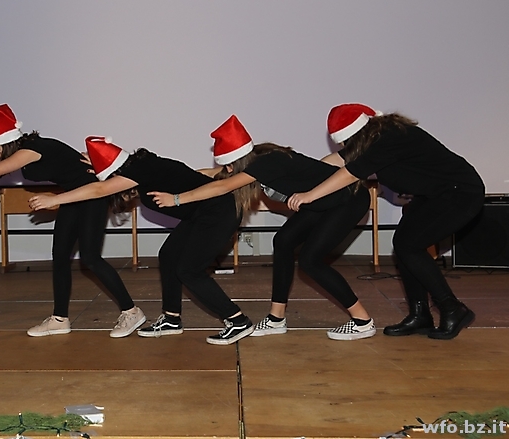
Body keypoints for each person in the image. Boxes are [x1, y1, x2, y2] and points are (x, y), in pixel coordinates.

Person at [0, 104, 145, 338]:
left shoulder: (31, 150)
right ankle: (59, 319)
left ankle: (131, 311)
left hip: (91, 196)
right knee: (60, 256)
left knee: (90, 257)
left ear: (7, 142)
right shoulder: (21, 155)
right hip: (72, 196)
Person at [150, 115, 376, 340]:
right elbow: (212, 176)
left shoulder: (267, 162)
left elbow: (223, 186)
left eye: (228, 165)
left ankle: (362, 321)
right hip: (321, 202)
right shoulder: (256, 159)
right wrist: (174, 178)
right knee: (283, 241)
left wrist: (176, 199)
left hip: (349, 199)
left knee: (310, 261)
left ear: (238, 161)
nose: (227, 169)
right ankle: (276, 319)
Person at [29, 136, 255, 346]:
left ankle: (237, 320)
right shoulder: (142, 167)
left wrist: (55, 200)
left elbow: (99, 189)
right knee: (168, 256)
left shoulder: (140, 169)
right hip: (202, 214)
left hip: (219, 214)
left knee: (189, 270)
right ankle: (171, 319)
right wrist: (99, 161)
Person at [288, 103, 484, 340]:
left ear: (357, 134)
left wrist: (309, 195)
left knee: (409, 246)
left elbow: (350, 173)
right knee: (404, 246)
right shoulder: (376, 137)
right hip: (432, 195)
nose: (346, 147)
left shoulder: (390, 137)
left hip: (460, 193)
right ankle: (420, 315)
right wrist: (302, 177)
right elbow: (336, 161)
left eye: (347, 142)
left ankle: (452, 309)